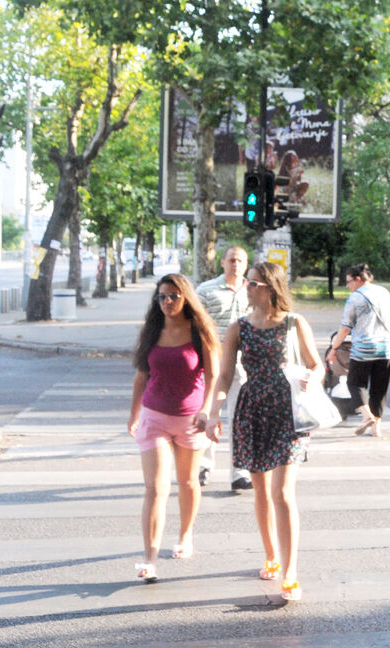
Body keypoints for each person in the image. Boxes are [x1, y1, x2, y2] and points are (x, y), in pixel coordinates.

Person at [206, 261, 324, 601]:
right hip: (253, 410)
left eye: (253, 283)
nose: (247, 286)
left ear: (271, 287)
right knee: (261, 492)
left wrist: (312, 377)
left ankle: (290, 571)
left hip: (288, 411)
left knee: (283, 493)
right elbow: (224, 376)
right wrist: (213, 413)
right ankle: (271, 555)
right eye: (248, 282)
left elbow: (316, 365)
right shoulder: (239, 328)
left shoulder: (294, 323)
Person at [127, 274, 219, 583]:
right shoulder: (152, 331)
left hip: (191, 419)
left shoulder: (199, 332)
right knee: (155, 488)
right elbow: (141, 376)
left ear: (186, 298)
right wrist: (134, 413)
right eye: (162, 297)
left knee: (188, 482)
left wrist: (207, 411)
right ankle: (149, 559)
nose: (167, 302)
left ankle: (185, 535)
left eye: (174, 296)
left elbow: (214, 376)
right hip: (154, 417)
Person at [195, 246, 252, 492]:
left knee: (240, 417)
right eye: (231, 260)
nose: (235, 264)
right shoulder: (206, 290)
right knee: (209, 413)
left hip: (243, 363)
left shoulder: (253, 289)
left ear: (246, 264)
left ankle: (239, 472)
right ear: (222, 262)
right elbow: (195, 324)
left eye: (240, 260)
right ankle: (203, 465)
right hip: (213, 360)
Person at [326, 263, 390, 438]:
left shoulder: (355, 298)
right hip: (386, 348)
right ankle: (376, 429)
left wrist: (334, 348)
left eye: (348, 282)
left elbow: (345, 328)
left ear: (358, 279)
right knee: (379, 389)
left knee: (355, 384)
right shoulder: (384, 293)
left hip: (364, 349)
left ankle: (366, 416)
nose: (347, 286)